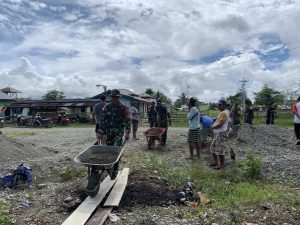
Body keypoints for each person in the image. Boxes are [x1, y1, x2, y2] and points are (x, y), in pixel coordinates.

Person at [210, 99, 230, 170]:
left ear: (224, 105)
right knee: (213, 147)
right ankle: (216, 162)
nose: (219, 106)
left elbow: (221, 124)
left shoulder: (223, 113)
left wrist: (212, 127)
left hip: (220, 133)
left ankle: (221, 165)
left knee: (220, 149)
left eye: (220, 105)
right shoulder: (225, 112)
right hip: (219, 132)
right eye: (218, 105)